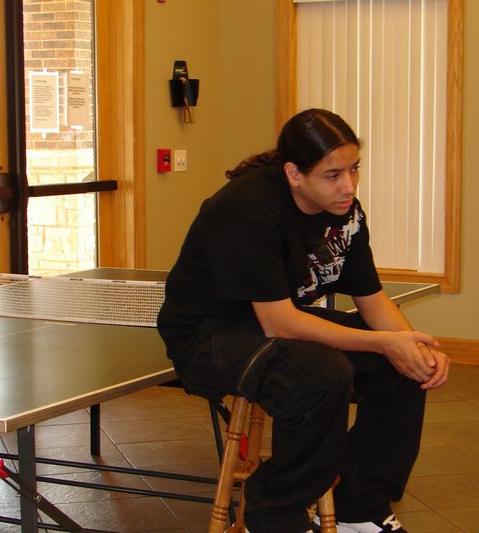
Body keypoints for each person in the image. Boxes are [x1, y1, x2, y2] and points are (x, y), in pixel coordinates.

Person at [157, 108, 449, 533]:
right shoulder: (247, 208)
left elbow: (371, 299)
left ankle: (359, 508)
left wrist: (411, 345)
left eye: (354, 169)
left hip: (274, 320)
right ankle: (272, 516)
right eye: (333, 175)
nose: (348, 185)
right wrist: (385, 343)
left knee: (401, 368)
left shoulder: (344, 210)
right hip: (209, 335)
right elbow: (280, 324)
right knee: (321, 374)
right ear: (295, 174)